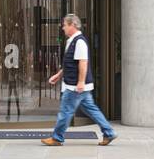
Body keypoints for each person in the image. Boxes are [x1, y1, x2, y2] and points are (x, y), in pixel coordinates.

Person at [41, 14, 116, 146]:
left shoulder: (79, 42)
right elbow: (71, 63)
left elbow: (83, 63)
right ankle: (109, 133)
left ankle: (57, 138)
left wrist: (80, 82)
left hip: (75, 86)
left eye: (65, 25)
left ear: (73, 25)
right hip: (77, 85)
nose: (63, 28)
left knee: (65, 111)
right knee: (92, 109)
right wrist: (59, 75)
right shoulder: (72, 41)